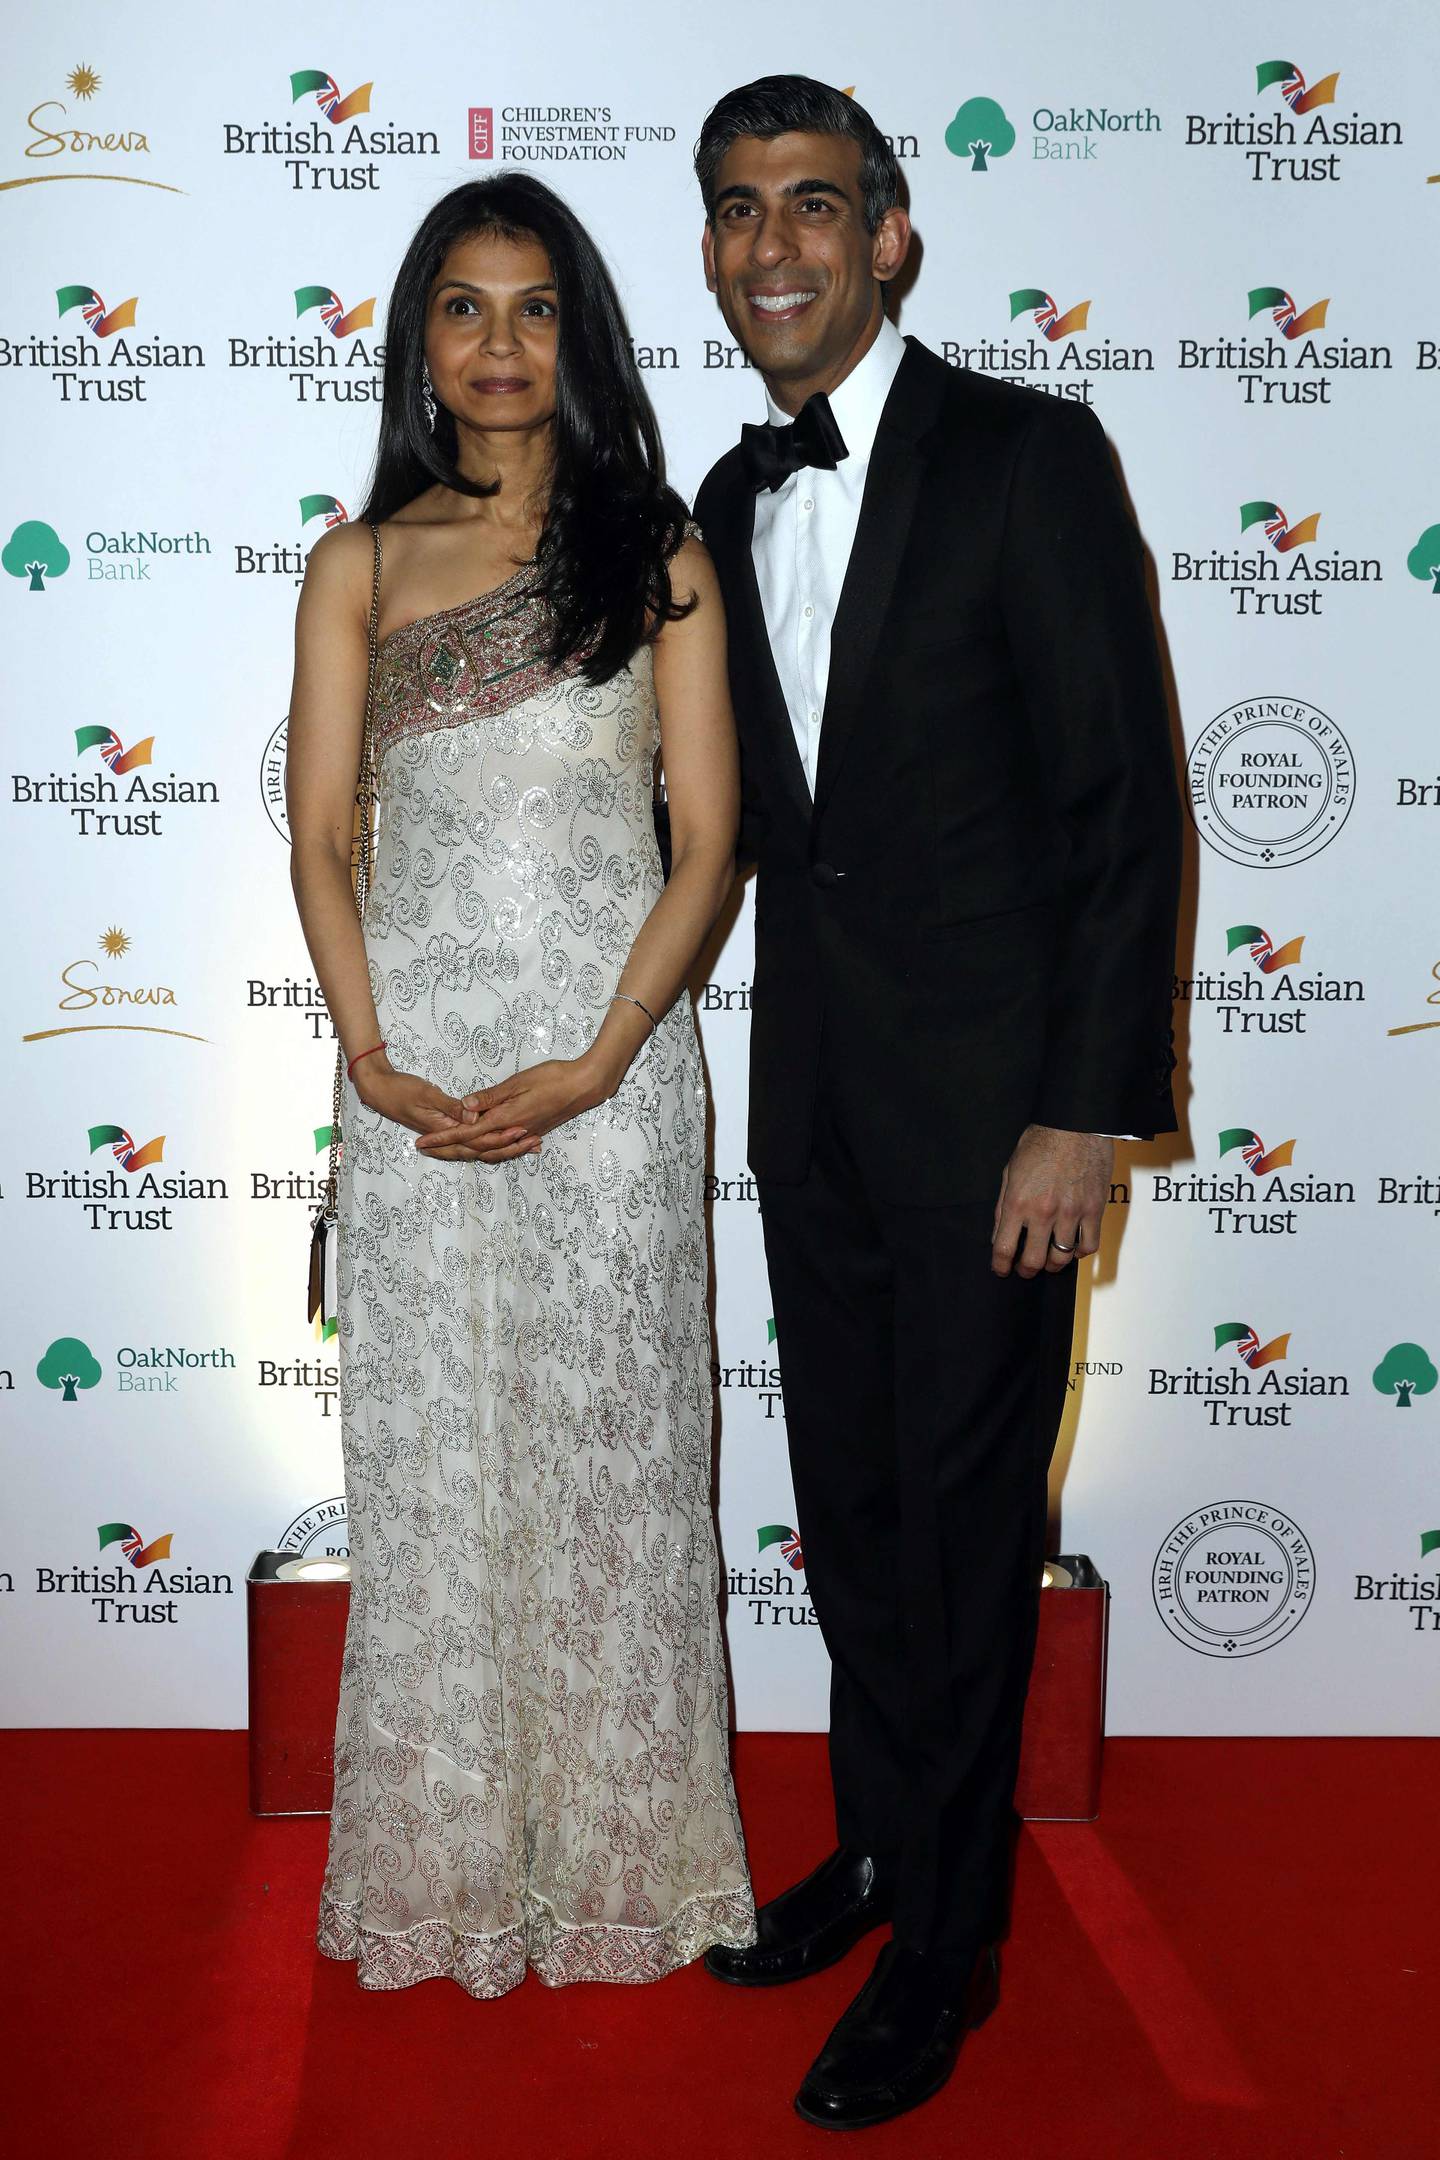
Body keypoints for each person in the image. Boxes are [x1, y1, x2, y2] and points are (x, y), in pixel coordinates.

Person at [691, 77, 1181, 2129]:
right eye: (737, 213)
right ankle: (884, 1846)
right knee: (862, 1524)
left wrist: (1085, 1116)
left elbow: (1123, 802)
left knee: (969, 1531)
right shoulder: (721, 504)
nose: (774, 247)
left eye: (816, 206)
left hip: (997, 1132)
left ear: (891, 237)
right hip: (814, 1109)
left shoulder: (1025, 454)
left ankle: (952, 1952)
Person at [286, 172, 754, 1998]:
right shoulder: (361, 565)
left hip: (613, 1077)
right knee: (437, 1471)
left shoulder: (661, 554)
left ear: (582, 336)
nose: (498, 346)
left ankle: (635, 1863)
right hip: (418, 1094)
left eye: (536, 308)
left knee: (618, 1464)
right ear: (420, 336)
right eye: (464, 309)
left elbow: (705, 845)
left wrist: (602, 1056)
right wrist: (377, 1057)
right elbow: (325, 842)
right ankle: (453, 1864)